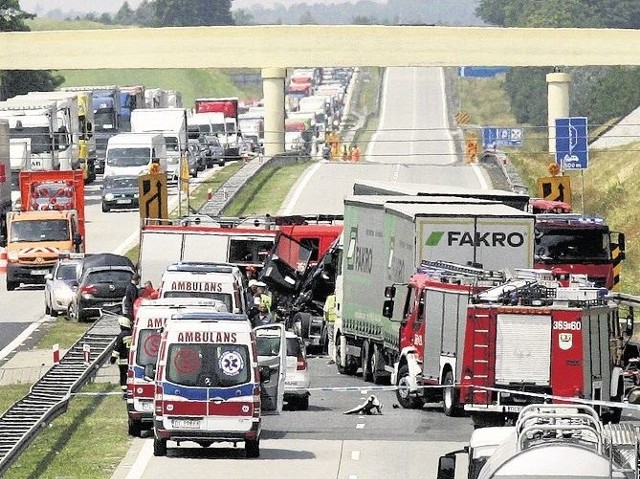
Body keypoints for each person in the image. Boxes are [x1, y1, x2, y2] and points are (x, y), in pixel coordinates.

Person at [110, 316, 132, 397]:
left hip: (123, 361)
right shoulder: (133, 333)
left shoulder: (121, 335)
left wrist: (113, 359)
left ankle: (125, 393)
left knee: (123, 376)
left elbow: (117, 348)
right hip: (132, 361)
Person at [323, 293, 337, 364]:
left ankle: (332, 357)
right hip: (338, 322)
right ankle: (335, 356)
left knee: (331, 340)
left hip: (330, 322)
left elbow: (325, 310)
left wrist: (326, 321)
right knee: (336, 340)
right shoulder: (341, 298)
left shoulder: (330, 298)